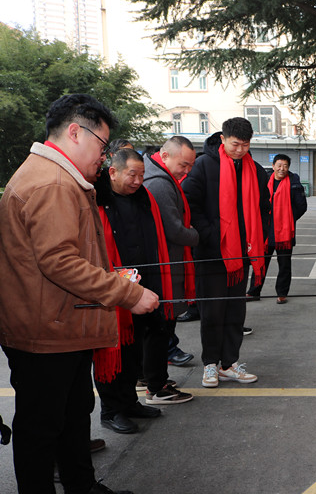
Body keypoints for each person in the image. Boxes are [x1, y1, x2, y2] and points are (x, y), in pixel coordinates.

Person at [0, 93, 159, 494]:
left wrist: (113, 278)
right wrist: (126, 294)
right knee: (41, 425)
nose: (104, 156)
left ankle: (79, 488)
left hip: (61, 323)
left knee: (72, 415)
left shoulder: (58, 176)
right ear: (75, 132)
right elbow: (60, 262)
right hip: (44, 329)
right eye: (102, 145)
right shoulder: (51, 182)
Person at [94, 148, 193, 435]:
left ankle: (129, 403)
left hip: (145, 284)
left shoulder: (144, 196)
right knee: (115, 350)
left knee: (135, 349)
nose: (138, 181)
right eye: (132, 175)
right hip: (113, 290)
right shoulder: (98, 199)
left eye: (141, 175)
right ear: (113, 172)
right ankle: (111, 411)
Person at [182, 117, 269, 387]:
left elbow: (264, 208)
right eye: (235, 144)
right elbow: (189, 202)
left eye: (245, 145)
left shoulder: (255, 170)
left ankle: (229, 364)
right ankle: (210, 364)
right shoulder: (205, 165)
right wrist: (210, 234)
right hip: (212, 253)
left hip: (241, 254)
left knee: (235, 312)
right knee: (212, 312)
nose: (240, 150)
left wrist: (259, 237)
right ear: (222, 139)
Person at [143, 135, 199, 366]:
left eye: (190, 166)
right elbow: (174, 230)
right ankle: (157, 377)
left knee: (161, 326)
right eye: (183, 165)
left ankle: (157, 372)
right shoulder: (159, 183)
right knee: (160, 325)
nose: (186, 171)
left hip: (166, 260)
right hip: (163, 264)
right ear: (165, 156)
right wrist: (194, 234)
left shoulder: (160, 175)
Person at [246, 153, 308, 303]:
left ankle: (282, 293)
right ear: (273, 166)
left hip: (284, 232)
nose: (282, 169)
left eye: (285, 166)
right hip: (265, 231)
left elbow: (301, 206)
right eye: (279, 165)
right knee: (260, 262)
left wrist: (288, 219)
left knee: (284, 265)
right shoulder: (265, 180)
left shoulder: (294, 182)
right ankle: (254, 292)